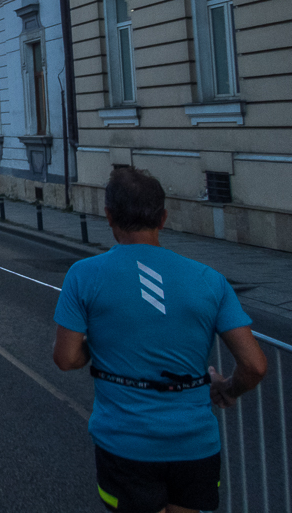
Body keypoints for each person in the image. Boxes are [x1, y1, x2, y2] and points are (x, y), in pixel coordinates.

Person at [53, 166, 267, 513]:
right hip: (195, 445)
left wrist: (99, 344)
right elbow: (255, 365)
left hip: (125, 444)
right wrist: (226, 389)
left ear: (108, 216)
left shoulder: (83, 276)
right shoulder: (210, 280)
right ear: (163, 217)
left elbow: (65, 358)